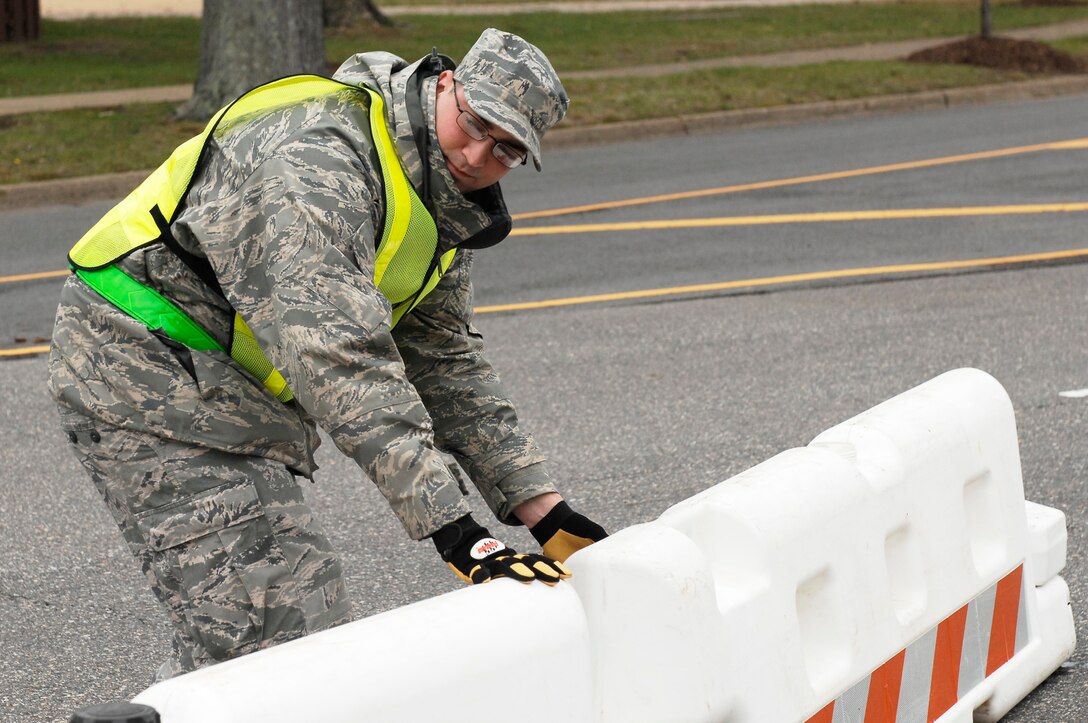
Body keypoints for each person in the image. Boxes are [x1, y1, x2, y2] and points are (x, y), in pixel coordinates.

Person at [48, 28, 607, 680]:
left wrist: (541, 508)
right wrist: (455, 527)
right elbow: (338, 354)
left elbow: (444, 363)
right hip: (141, 367)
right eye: (475, 123)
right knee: (290, 627)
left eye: (506, 149)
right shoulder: (316, 161)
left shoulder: (436, 196)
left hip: (221, 390)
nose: (477, 154)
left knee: (245, 636)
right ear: (447, 82)